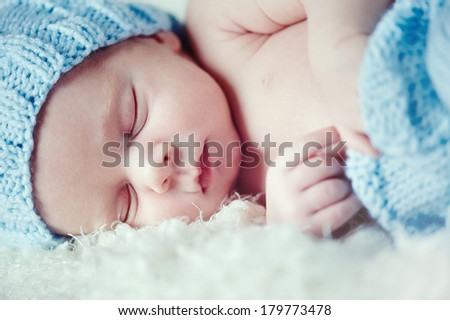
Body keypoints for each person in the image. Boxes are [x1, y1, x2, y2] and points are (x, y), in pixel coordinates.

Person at [0, 0, 395, 249]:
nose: (155, 171)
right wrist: (293, 231)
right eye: (126, 204)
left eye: (132, 120)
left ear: (154, 40)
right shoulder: (236, 224)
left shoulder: (221, 26)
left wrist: (343, 44)